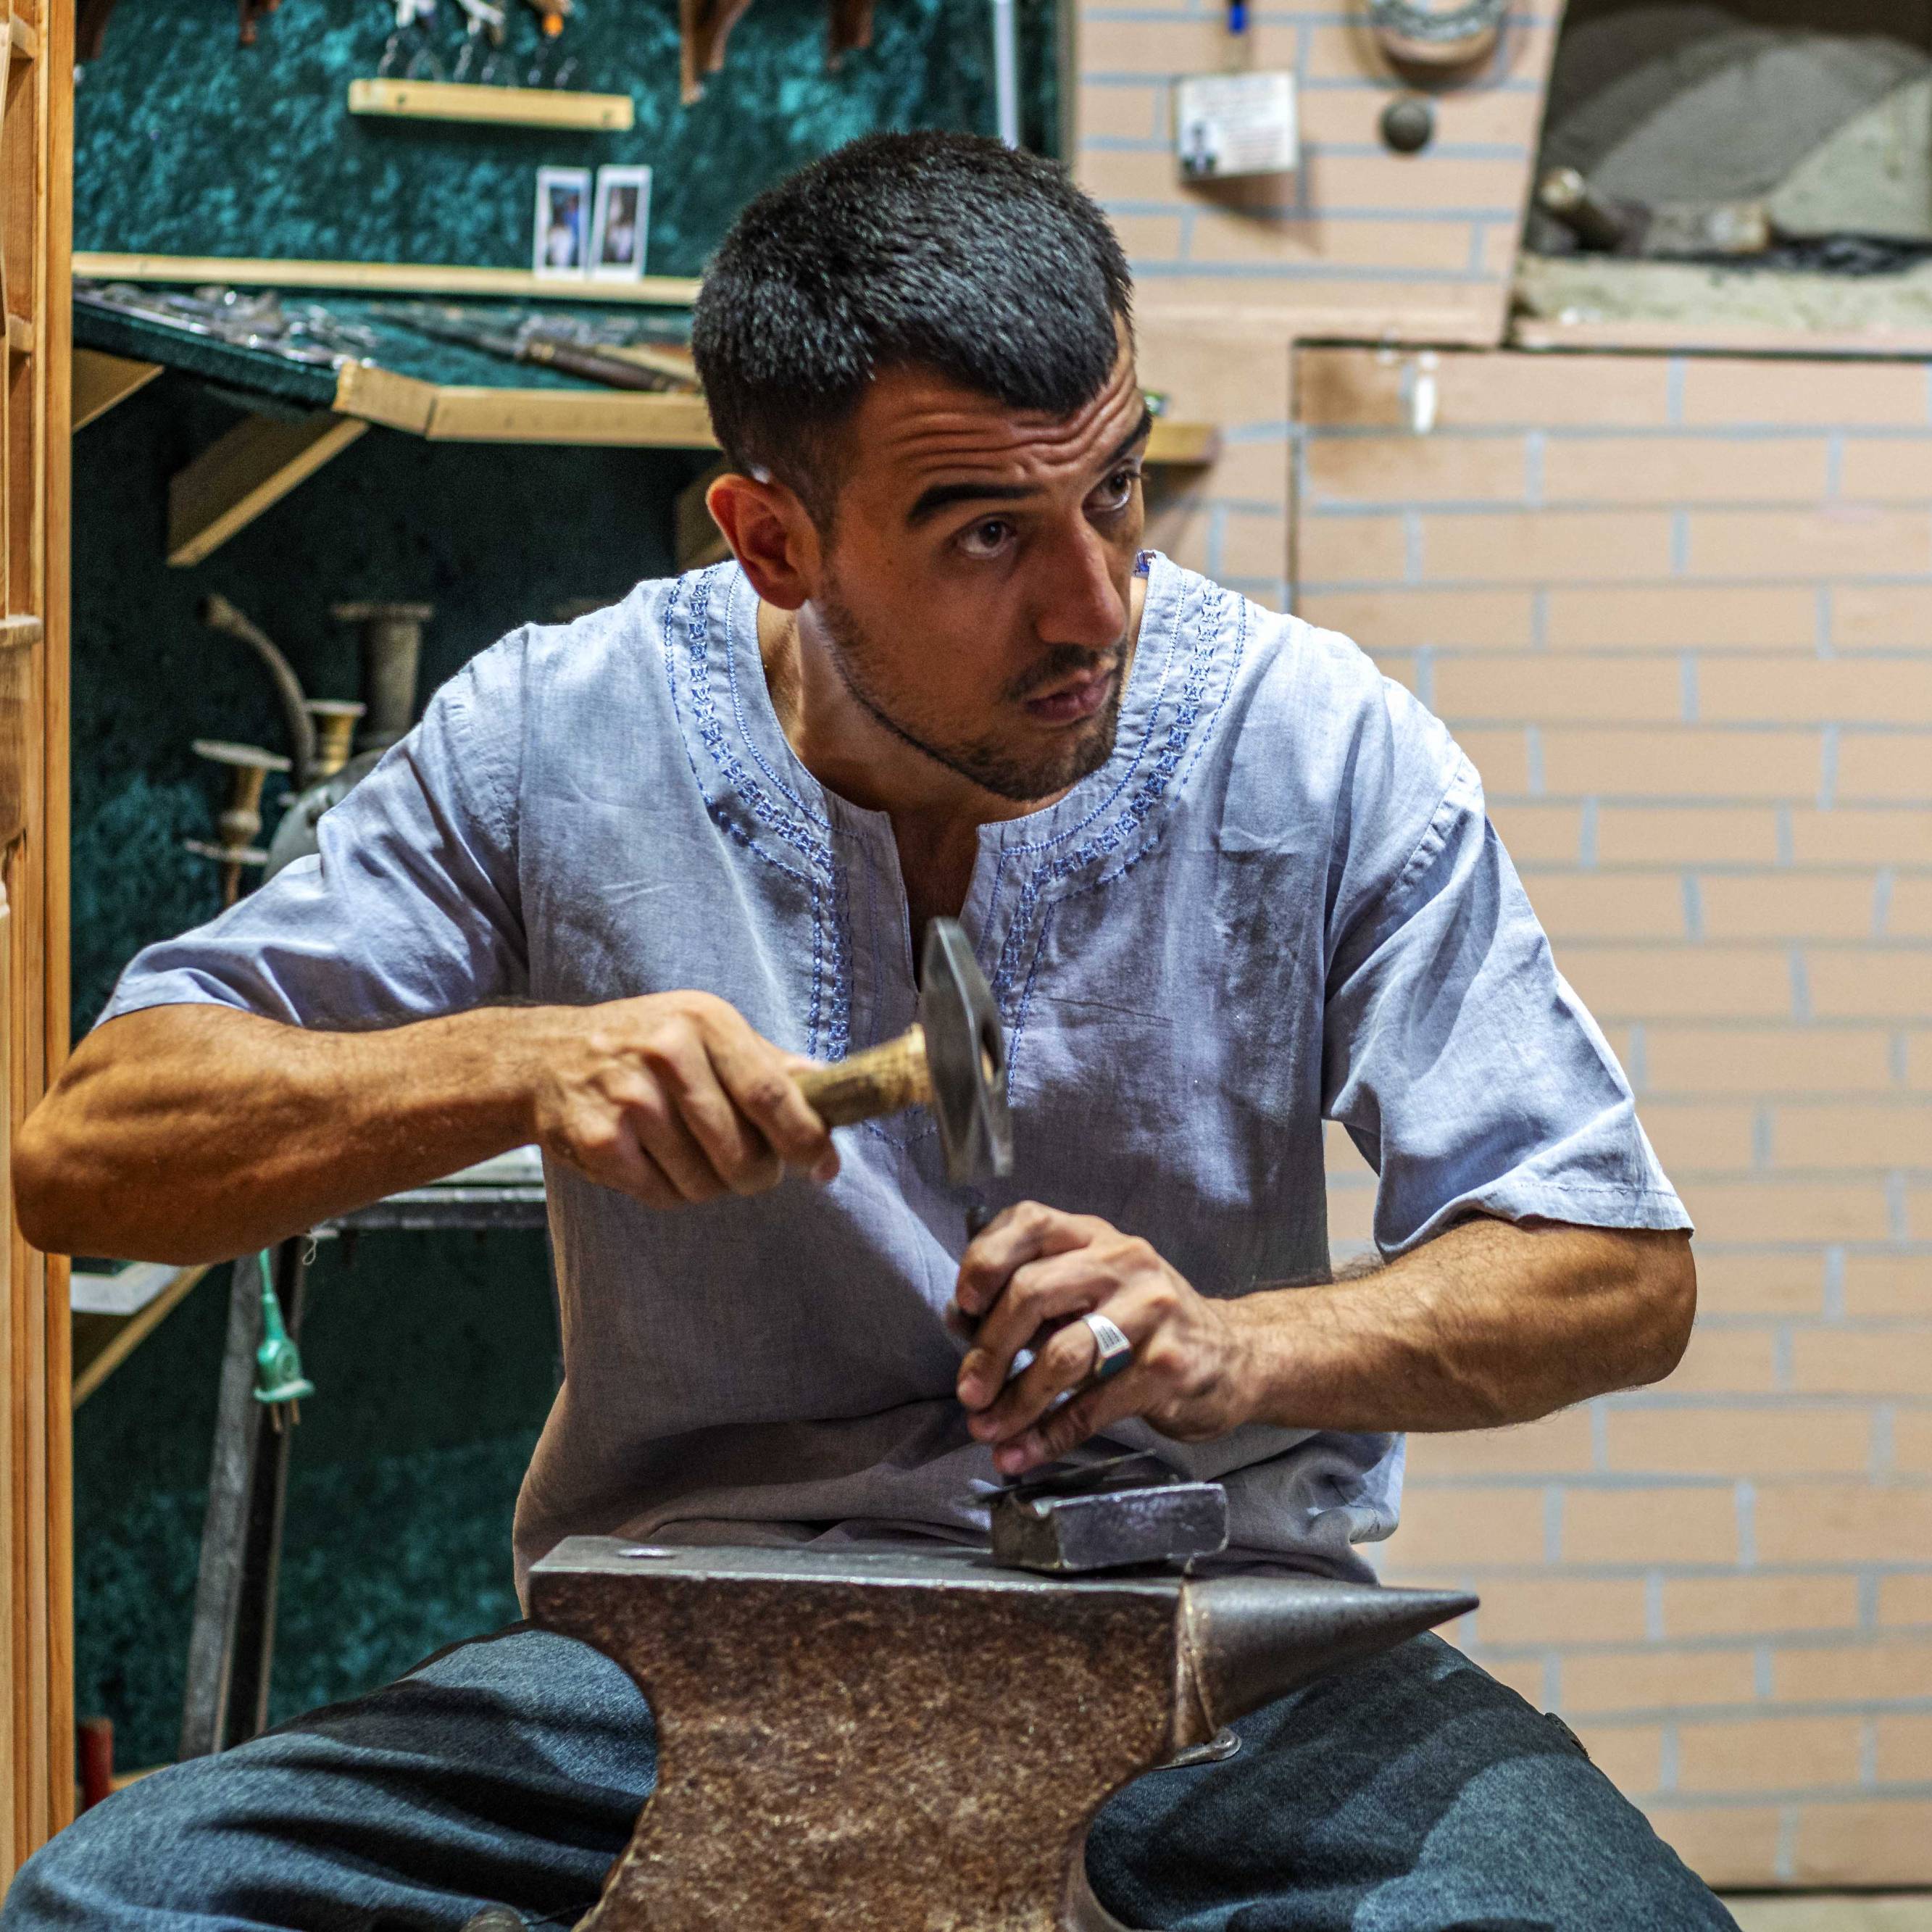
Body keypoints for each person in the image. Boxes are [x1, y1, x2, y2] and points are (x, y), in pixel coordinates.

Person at [7, 133, 1731, 1930]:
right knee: (125, 1902)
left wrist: (1233, 1349)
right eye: (987, 532)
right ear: (771, 539)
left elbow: (1612, 1269)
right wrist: (519, 1062)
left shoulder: (1313, 746)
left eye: (1118, 493)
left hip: (1216, 1664)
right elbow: (90, 1158)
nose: (1093, 608)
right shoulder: (559, 734)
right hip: (687, 1657)